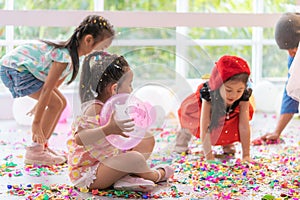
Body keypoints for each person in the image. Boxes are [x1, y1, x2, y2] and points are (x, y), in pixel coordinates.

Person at [0, 15, 115, 165]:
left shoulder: (70, 58)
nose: (102, 51)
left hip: (18, 69)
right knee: (55, 104)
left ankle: (41, 147)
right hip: (15, 69)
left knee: (60, 103)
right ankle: (35, 151)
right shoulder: (64, 57)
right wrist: (36, 124)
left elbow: (52, 86)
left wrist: (39, 102)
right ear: (88, 40)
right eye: (102, 47)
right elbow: (47, 89)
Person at [67, 51, 174, 192]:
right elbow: (80, 139)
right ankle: (154, 175)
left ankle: (124, 178)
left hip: (108, 159)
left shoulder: (112, 106)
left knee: (146, 138)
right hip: (91, 172)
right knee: (135, 158)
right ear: (115, 88)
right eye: (130, 84)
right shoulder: (94, 109)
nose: (132, 89)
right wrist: (108, 129)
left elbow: (119, 135)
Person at [174, 55, 254, 161]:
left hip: (228, 113)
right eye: (228, 90)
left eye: (239, 90)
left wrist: (246, 155)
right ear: (218, 84)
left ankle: (226, 142)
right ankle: (182, 140)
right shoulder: (209, 94)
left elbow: (244, 126)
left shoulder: (243, 96)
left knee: (232, 121)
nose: (234, 95)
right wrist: (209, 157)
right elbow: (205, 127)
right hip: (200, 114)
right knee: (190, 123)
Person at [253, 12, 300, 144]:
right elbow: (291, 91)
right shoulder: (295, 59)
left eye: (294, 48)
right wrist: (277, 131)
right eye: (287, 50)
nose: (291, 53)